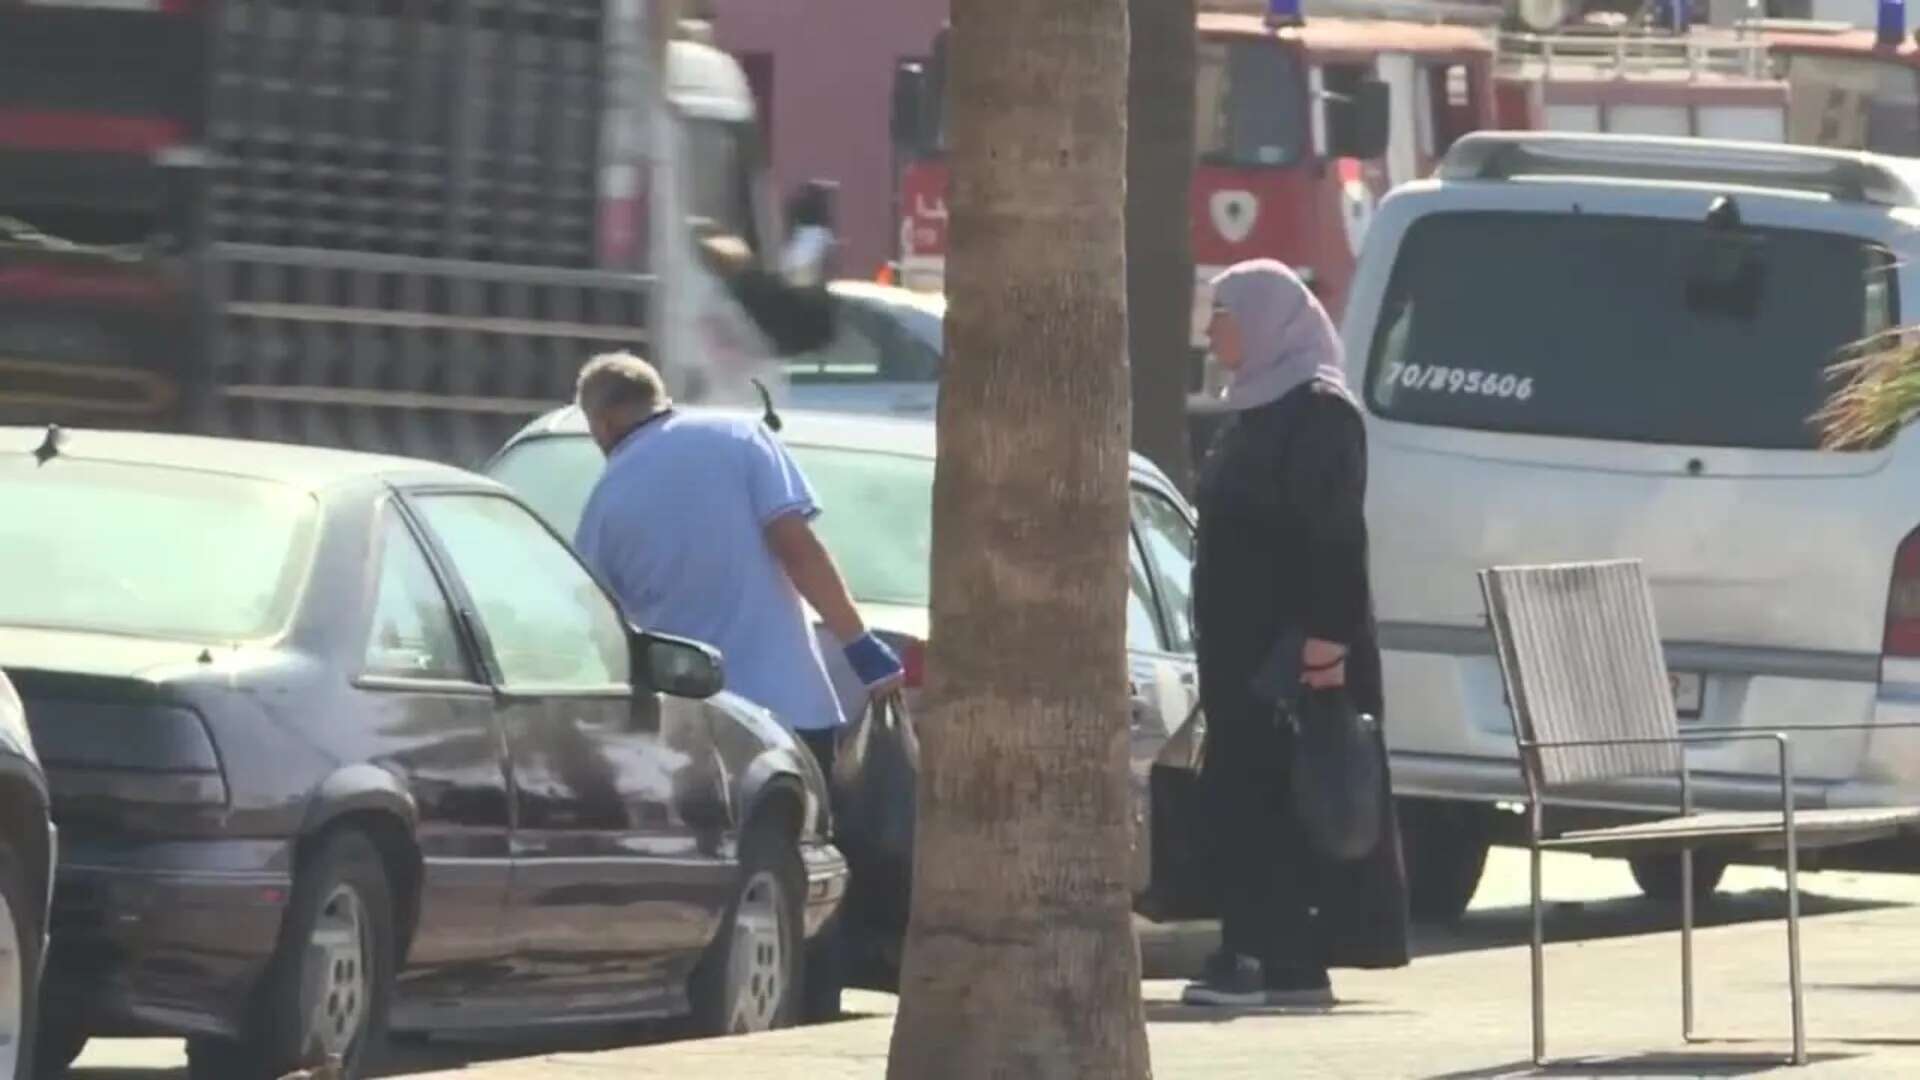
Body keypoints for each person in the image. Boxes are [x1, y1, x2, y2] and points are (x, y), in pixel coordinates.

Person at [1181, 259, 1410, 1008]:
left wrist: (1324, 648)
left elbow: (1335, 538)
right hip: (1246, 652)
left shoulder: (1318, 412)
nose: (1213, 330)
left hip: (1296, 654)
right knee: (1252, 794)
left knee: (1283, 797)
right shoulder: (1254, 408)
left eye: (1226, 315)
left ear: (1270, 321)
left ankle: (1265, 955)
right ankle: (1276, 959)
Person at [570, 351, 902, 774]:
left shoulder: (602, 504)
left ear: (600, 423)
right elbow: (798, 551)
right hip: (790, 713)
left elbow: (602, 630)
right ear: (658, 398)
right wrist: (860, 647)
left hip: (688, 729)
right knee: (797, 836)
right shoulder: (741, 436)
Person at [781, 179, 840, 287]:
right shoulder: (822, 235)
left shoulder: (794, 236)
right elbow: (830, 264)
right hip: (806, 281)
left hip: (791, 275)